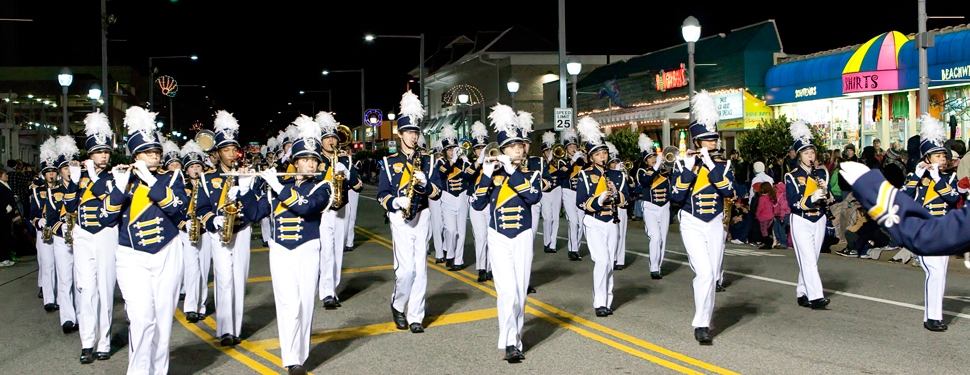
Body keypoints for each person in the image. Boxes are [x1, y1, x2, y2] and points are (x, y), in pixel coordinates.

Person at [104, 106, 188, 374]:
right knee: (141, 318)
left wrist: (151, 179)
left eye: (156, 152)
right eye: (147, 152)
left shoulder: (171, 177)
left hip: (167, 251)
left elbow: (178, 207)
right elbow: (107, 218)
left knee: (163, 320)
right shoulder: (120, 179)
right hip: (130, 255)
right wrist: (118, 185)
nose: (154, 156)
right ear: (135, 155)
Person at [247, 116, 332, 375]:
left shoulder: (323, 186)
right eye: (305, 159)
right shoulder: (278, 186)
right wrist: (245, 190)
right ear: (294, 162)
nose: (310, 163)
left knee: (304, 305)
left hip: (307, 249)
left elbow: (307, 207)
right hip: (280, 250)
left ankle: (300, 355)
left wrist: (277, 187)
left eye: (313, 160)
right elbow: (254, 214)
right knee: (288, 305)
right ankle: (291, 360)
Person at [470, 103, 542, 362]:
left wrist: (511, 171)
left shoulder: (531, 173)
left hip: (522, 235)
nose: (519, 149)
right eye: (512, 147)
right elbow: (477, 204)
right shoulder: (492, 174)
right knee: (508, 292)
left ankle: (516, 337)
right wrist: (487, 174)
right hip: (498, 236)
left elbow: (533, 197)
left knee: (520, 292)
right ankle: (510, 343)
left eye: (520, 145)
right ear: (502, 150)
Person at [669, 90, 736, 345]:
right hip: (692, 221)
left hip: (716, 222)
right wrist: (690, 169)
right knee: (705, 273)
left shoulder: (723, 165)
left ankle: (705, 320)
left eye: (715, 140)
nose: (714, 144)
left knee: (713, 273)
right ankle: (700, 324)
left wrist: (711, 165)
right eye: (709, 141)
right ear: (698, 142)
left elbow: (729, 191)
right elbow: (676, 196)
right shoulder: (682, 164)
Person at [378, 90, 442, 333]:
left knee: (421, 269)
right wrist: (395, 202)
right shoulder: (387, 162)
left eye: (416, 132)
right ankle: (398, 303)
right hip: (400, 217)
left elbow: (438, 192)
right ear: (400, 134)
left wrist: (426, 185)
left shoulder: (429, 161)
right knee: (406, 271)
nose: (414, 136)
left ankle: (416, 316)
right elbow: (382, 194)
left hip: (422, 215)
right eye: (409, 132)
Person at [200, 110, 258, 347]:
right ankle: (224, 330)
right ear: (217, 153)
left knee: (239, 280)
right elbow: (201, 207)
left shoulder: (245, 175)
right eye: (226, 150)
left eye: (234, 149)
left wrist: (247, 188)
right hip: (219, 232)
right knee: (223, 280)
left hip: (242, 229)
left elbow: (256, 207)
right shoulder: (207, 178)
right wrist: (211, 219)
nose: (232, 154)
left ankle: (236, 328)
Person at [899, 115, 957, 332]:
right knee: (934, 272)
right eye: (938, 156)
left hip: (943, 230)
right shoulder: (917, 178)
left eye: (944, 156)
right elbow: (903, 197)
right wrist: (917, 175)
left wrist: (937, 178)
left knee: (941, 273)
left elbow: (952, 198)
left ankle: (935, 315)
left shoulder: (948, 178)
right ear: (927, 159)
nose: (943, 159)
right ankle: (932, 318)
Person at [72, 112, 121, 363]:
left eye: (106, 152)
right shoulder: (76, 176)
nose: (103, 156)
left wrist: (94, 178)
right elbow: (70, 205)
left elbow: (113, 200)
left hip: (105, 233)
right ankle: (87, 342)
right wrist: (72, 182)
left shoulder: (115, 176)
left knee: (104, 287)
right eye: (98, 152)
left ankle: (104, 341)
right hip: (82, 234)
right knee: (86, 289)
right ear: (89, 154)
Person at [576, 122, 628, 317]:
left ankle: (607, 299)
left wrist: (616, 196)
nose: (603, 157)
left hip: (611, 222)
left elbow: (626, 199)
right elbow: (580, 202)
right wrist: (599, 199)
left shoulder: (617, 175)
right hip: (594, 221)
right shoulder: (585, 175)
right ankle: (599, 303)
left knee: (609, 263)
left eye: (604, 153)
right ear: (591, 157)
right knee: (602, 261)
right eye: (598, 154)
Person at [313, 111, 361, 309]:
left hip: (341, 209)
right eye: (327, 138)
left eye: (334, 137)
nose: (332, 141)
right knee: (326, 252)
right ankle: (326, 293)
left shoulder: (345, 160)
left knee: (337, 252)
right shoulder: (315, 160)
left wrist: (347, 173)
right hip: (323, 211)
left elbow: (358, 185)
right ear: (321, 141)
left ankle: (332, 288)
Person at [784, 120, 832, 310]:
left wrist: (825, 193)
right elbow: (793, 202)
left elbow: (831, 197)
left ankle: (802, 292)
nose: (810, 156)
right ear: (799, 156)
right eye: (806, 153)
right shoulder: (792, 176)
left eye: (812, 153)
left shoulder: (821, 173)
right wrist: (811, 198)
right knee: (809, 260)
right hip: (801, 220)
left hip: (819, 218)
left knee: (812, 259)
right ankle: (816, 297)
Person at [177, 140, 212, 324]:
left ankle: (201, 306)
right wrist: (184, 224)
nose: (196, 169)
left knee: (204, 269)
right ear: (187, 169)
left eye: (198, 165)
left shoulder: (206, 186)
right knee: (191, 269)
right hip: (188, 230)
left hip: (204, 230)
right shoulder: (181, 187)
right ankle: (190, 307)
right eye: (192, 167)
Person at [52, 135, 80, 333]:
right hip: (62, 239)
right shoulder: (54, 192)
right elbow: (51, 217)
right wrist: (59, 228)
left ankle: (81, 315)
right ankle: (67, 318)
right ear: (60, 171)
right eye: (65, 168)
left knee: (81, 280)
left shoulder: (83, 188)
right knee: (65, 279)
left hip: (80, 237)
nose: (69, 171)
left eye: (71, 167)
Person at [435, 124, 472, 271]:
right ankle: (450, 254)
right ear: (445, 151)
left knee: (461, 232)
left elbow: (470, 174)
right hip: (447, 197)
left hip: (462, 197)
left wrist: (465, 159)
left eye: (453, 148)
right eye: (449, 149)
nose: (451, 151)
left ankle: (458, 260)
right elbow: (442, 173)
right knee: (451, 230)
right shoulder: (441, 162)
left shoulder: (463, 161)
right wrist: (452, 161)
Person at [634, 134, 669, 279]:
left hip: (665, 207)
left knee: (663, 239)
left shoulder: (665, 172)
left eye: (654, 156)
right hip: (650, 207)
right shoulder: (642, 172)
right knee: (654, 237)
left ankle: (658, 266)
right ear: (645, 161)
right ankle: (653, 268)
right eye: (650, 158)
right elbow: (646, 181)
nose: (654, 159)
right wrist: (656, 167)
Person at [467, 121, 492, 282]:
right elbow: (465, 176)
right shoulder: (469, 163)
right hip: (475, 203)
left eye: (483, 148)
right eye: (477, 148)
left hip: (490, 202)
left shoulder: (493, 164)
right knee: (480, 237)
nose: (480, 150)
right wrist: (479, 162)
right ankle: (481, 268)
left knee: (491, 237)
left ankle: (490, 268)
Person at [560, 127, 586, 261]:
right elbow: (563, 173)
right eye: (570, 146)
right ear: (566, 148)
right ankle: (572, 249)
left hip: (580, 192)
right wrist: (572, 160)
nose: (573, 148)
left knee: (581, 222)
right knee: (573, 220)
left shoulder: (581, 161)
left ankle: (577, 247)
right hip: (568, 192)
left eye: (574, 145)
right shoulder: (562, 160)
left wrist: (584, 159)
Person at [540, 131, 567, 254]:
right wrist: (547, 163)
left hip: (556, 189)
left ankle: (553, 244)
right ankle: (546, 242)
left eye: (551, 150)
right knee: (547, 218)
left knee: (555, 217)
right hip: (545, 191)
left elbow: (563, 173)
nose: (550, 152)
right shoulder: (541, 164)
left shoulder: (560, 162)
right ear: (543, 152)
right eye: (547, 150)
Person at [0, 168, 16, 267]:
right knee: (2, 236)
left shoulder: (5, 185)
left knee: (6, 235)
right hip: (2, 215)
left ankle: (5, 256)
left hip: (7, 215)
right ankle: (2, 258)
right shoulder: (0, 186)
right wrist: (6, 207)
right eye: (5, 174)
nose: (7, 176)